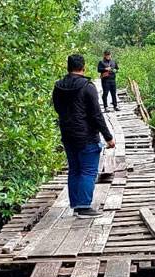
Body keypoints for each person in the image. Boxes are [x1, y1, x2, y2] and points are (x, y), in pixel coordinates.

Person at [52, 54, 116, 218]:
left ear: (68, 67)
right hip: (86, 135)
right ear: (84, 67)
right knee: (88, 171)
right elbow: (96, 115)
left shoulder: (58, 86)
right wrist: (108, 137)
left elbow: (58, 109)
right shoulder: (88, 86)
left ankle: (76, 205)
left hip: (67, 133)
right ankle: (84, 207)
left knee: (74, 170)